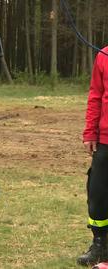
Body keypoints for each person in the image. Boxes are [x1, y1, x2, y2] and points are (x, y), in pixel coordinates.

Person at [78, 46, 108, 267]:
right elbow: (96, 95)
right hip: (105, 139)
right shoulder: (104, 55)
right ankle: (100, 244)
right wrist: (90, 131)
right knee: (97, 193)